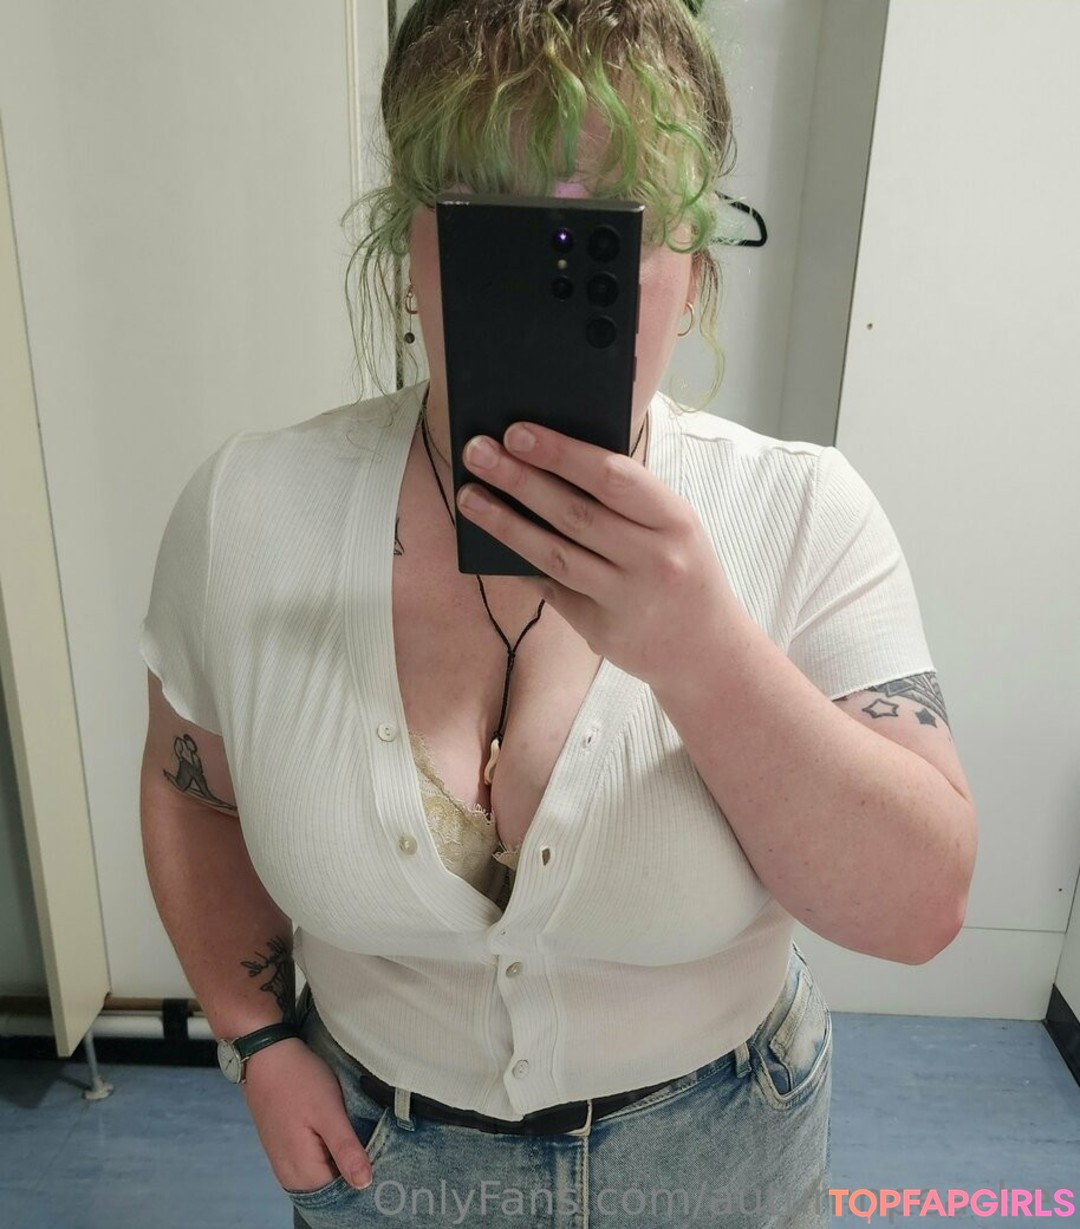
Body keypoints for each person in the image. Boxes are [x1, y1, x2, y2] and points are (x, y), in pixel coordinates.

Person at [138, 2, 977, 1227]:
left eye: (607, 229)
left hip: (721, 1151)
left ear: (693, 274)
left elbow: (918, 908)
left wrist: (704, 654)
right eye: (491, 219)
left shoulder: (802, 514)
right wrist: (255, 1036)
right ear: (412, 251)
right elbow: (193, 792)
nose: (550, 267)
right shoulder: (248, 512)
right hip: (385, 1159)